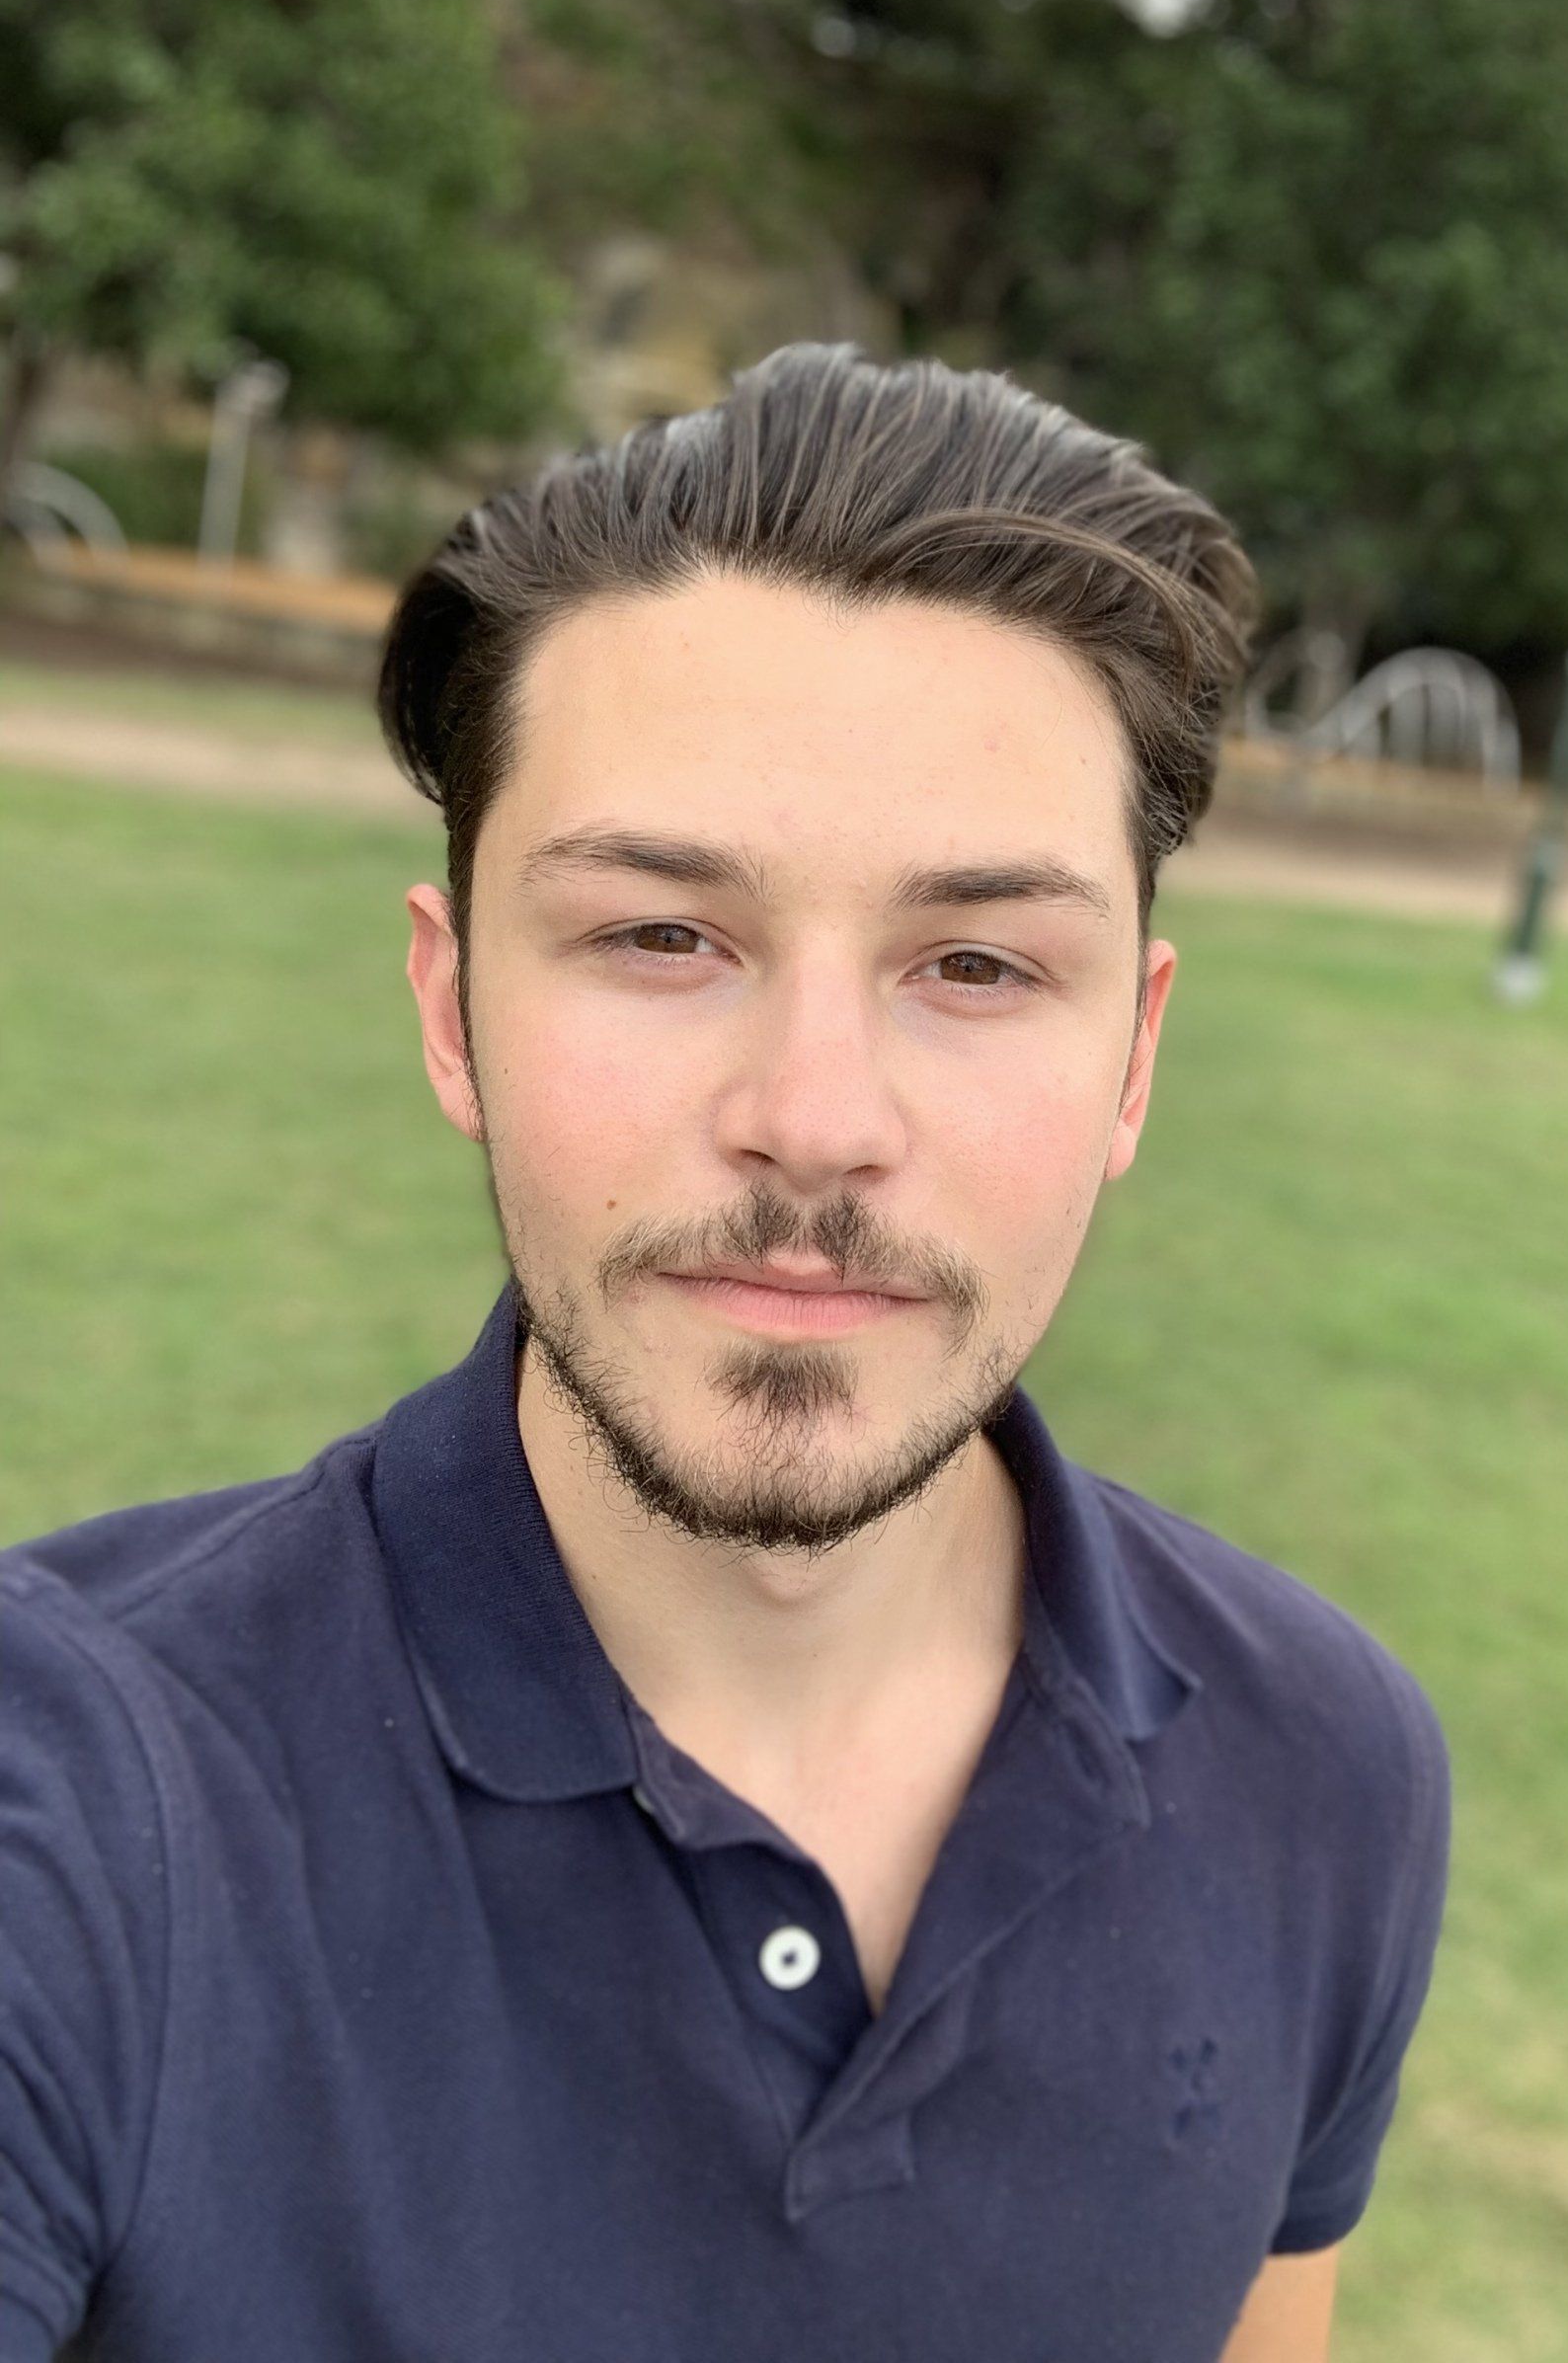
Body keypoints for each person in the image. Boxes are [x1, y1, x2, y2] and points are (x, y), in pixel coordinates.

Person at [0, 344, 1450, 2363]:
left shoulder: (1329, 1767)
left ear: (1136, 1051)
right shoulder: (69, 1799)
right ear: (451, 1007)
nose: (815, 1112)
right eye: (664, 935)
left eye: (976, 962)